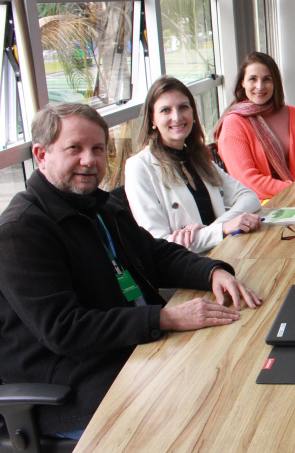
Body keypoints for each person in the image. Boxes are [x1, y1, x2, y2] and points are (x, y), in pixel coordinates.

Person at [0, 103, 261, 438]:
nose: (89, 160)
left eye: (97, 149)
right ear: (41, 154)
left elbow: (156, 254)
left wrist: (212, 272)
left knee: (232, 369)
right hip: (74, 386)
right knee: (201, 419)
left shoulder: (100, 204)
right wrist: (165, 318)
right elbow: (65, 330)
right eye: (74, 148)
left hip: (133, 350)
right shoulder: (20, 232)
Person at [125, 76, 262, 253]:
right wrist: (221, 229)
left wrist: (217, 228)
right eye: (165, 110)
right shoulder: (139, 167)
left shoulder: (197, 156)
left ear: (193, 113)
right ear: (152, 120)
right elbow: (161, 245)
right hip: (189, 270)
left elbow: (250, 198)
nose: (177, 117)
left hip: (226, 251)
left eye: (183, 107)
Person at [215, 52, 295, 200]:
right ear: (242, 82)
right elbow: (248, 182)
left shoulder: (291, 113)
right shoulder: (234, 123)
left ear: (275, 83)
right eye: (252, 79)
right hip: (260, 206)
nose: (260, 86)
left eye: (267, 79)